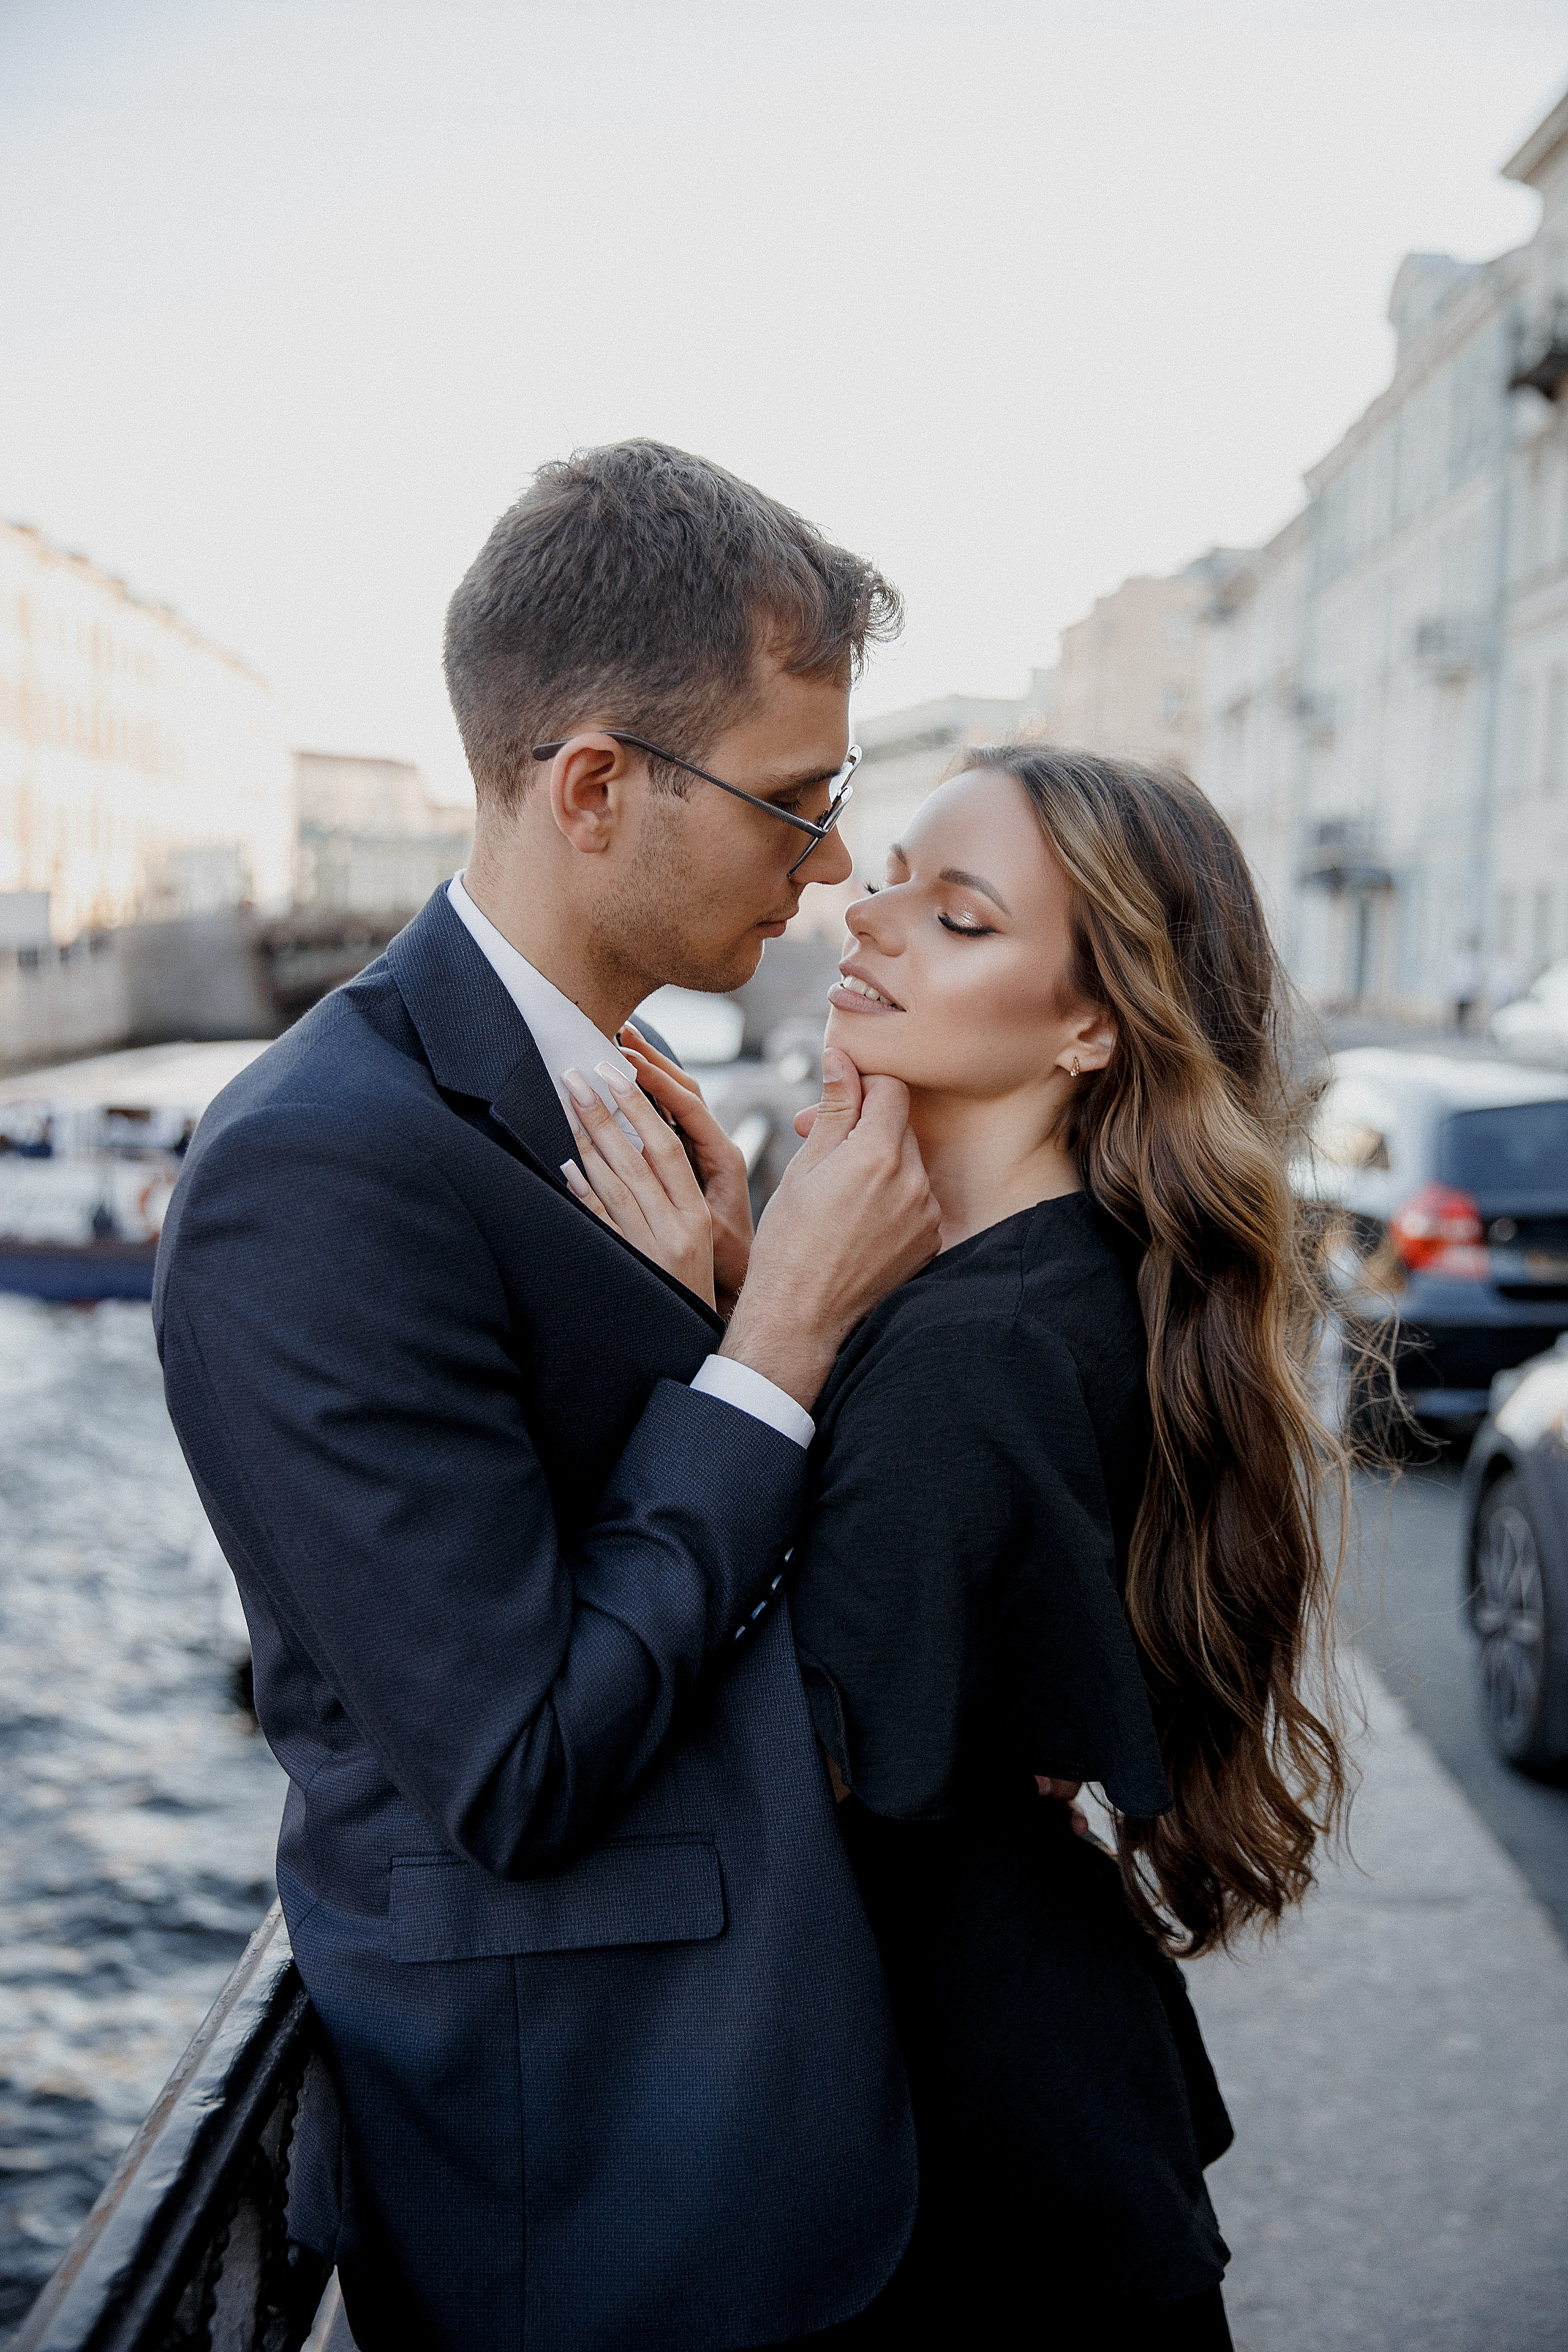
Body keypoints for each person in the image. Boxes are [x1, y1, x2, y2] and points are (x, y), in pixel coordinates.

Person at [153, 442, 943, 2352]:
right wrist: (779, 1350)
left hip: (764, 2106)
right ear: (596, 785)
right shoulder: (312, 1168)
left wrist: (742, 1315)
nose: (831, 862)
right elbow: (511, 1762)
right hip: (608, 2190)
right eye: (798, 802)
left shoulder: (622, 1086)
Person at [580, 745, 1350, 2350]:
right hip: (1044, 2085)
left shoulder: (973, 1350)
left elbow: (817, 1767)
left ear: (1092, 1026)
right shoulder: (1070, 1280)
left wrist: (743, 1343)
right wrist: (759, 1295)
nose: (873, 923)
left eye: (962, 917)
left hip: (970, 2163)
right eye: (895, 881)